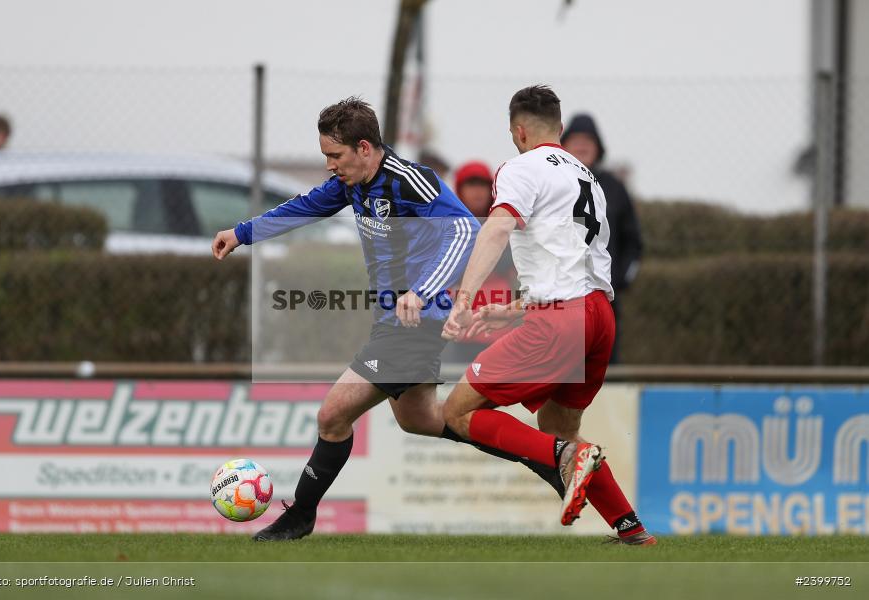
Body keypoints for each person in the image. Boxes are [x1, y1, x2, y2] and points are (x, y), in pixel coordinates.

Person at [212, 97, 564, 542]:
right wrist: (241, 233)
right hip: (393, 322)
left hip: (416, 323)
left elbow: (464, 230)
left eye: (335, 155)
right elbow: (303, 207)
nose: (329, 166)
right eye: (325, 156)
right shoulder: (351, 183)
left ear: (364, 148)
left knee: (332, 415)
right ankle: (545, 456)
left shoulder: (410, 180)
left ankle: (300, 514)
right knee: (424, 419)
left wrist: (422, 290)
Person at [441, 85, 655, 545]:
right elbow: (576, 264)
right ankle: (630, 528)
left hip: (562, 320)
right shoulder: (588, 177)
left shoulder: (520, 168)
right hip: (599, 317)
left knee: (457, 411)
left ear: (518, 131)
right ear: (559, 128)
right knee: (559, 429)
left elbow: (497, 228)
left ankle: (568, 458)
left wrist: (463, 300)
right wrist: (516, 309)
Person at [561, 114, 643, 363]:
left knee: (602, 365)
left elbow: (633, 242)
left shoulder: (614, 187)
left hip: (603, 299)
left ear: (599, 147)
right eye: (575, 139)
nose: (582, 145)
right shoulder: (551, 182)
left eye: (588, 140)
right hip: (558, 299)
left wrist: (619, 280)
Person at [441, 161, 517, 364]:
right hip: (456, 324)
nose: (477, 191)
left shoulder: (504, 223)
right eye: (471, 185)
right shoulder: (448, 225)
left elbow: (507, 265)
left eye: (482, 185)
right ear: (460, 189)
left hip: (494, 322)